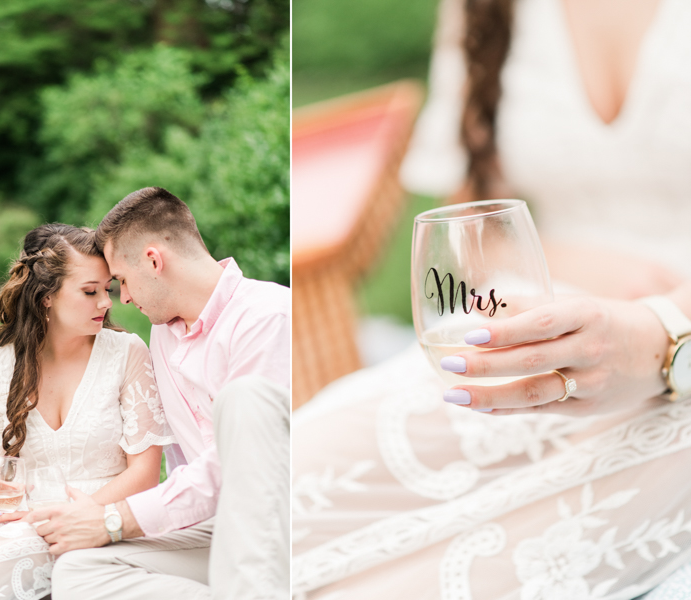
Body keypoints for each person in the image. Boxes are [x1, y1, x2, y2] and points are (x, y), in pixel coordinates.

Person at [292, 0, 691, 598]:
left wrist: (664, 334)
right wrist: (567, 264)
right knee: (293, 480)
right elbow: (474, 223)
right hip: (543, 325)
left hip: (667, 340)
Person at [27, 187, 291, 600]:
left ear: (154, 260)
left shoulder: (267, 317)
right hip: (211, 526)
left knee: (242, 401)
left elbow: (230, 472)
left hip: (282, 518)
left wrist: (113, 520)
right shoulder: (163, 335)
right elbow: (183, 467)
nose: (124, 298)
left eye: (124, 281)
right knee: (79, 571)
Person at [0, 224, 174, 599]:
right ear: (46, 297)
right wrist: (0, 495)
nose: (105, 303)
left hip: (100, 521)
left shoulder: (126, 354)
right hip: (18, 520)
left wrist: (64, 517)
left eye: (107, 289)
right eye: (90, 291)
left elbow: (144, 474)